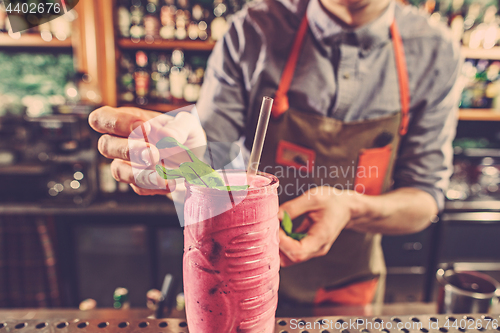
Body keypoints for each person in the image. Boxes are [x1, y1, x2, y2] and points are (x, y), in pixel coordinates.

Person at [89, 0, 461, 306]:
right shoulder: (254, 29)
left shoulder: (435, 50)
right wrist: (177, 156)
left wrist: (351, 207)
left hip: (347, 287)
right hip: (238, 272)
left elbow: (425, 199)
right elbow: (209, 156)